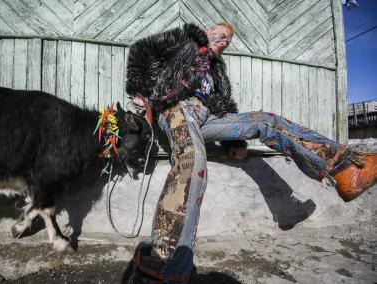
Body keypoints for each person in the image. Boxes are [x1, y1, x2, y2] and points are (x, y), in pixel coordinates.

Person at [125, 23, 377, 283]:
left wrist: (235, 144)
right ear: (207, 31)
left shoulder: (217, 71)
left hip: (206, 115)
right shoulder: (183, 39)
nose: (223, 43)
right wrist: (141, 92)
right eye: (221, 36)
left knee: (266, 120)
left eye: (228, 42)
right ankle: (163, 266)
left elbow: (223, 109)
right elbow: (141, 50)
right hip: (177, 108)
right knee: (192, 160)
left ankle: (345, 167)